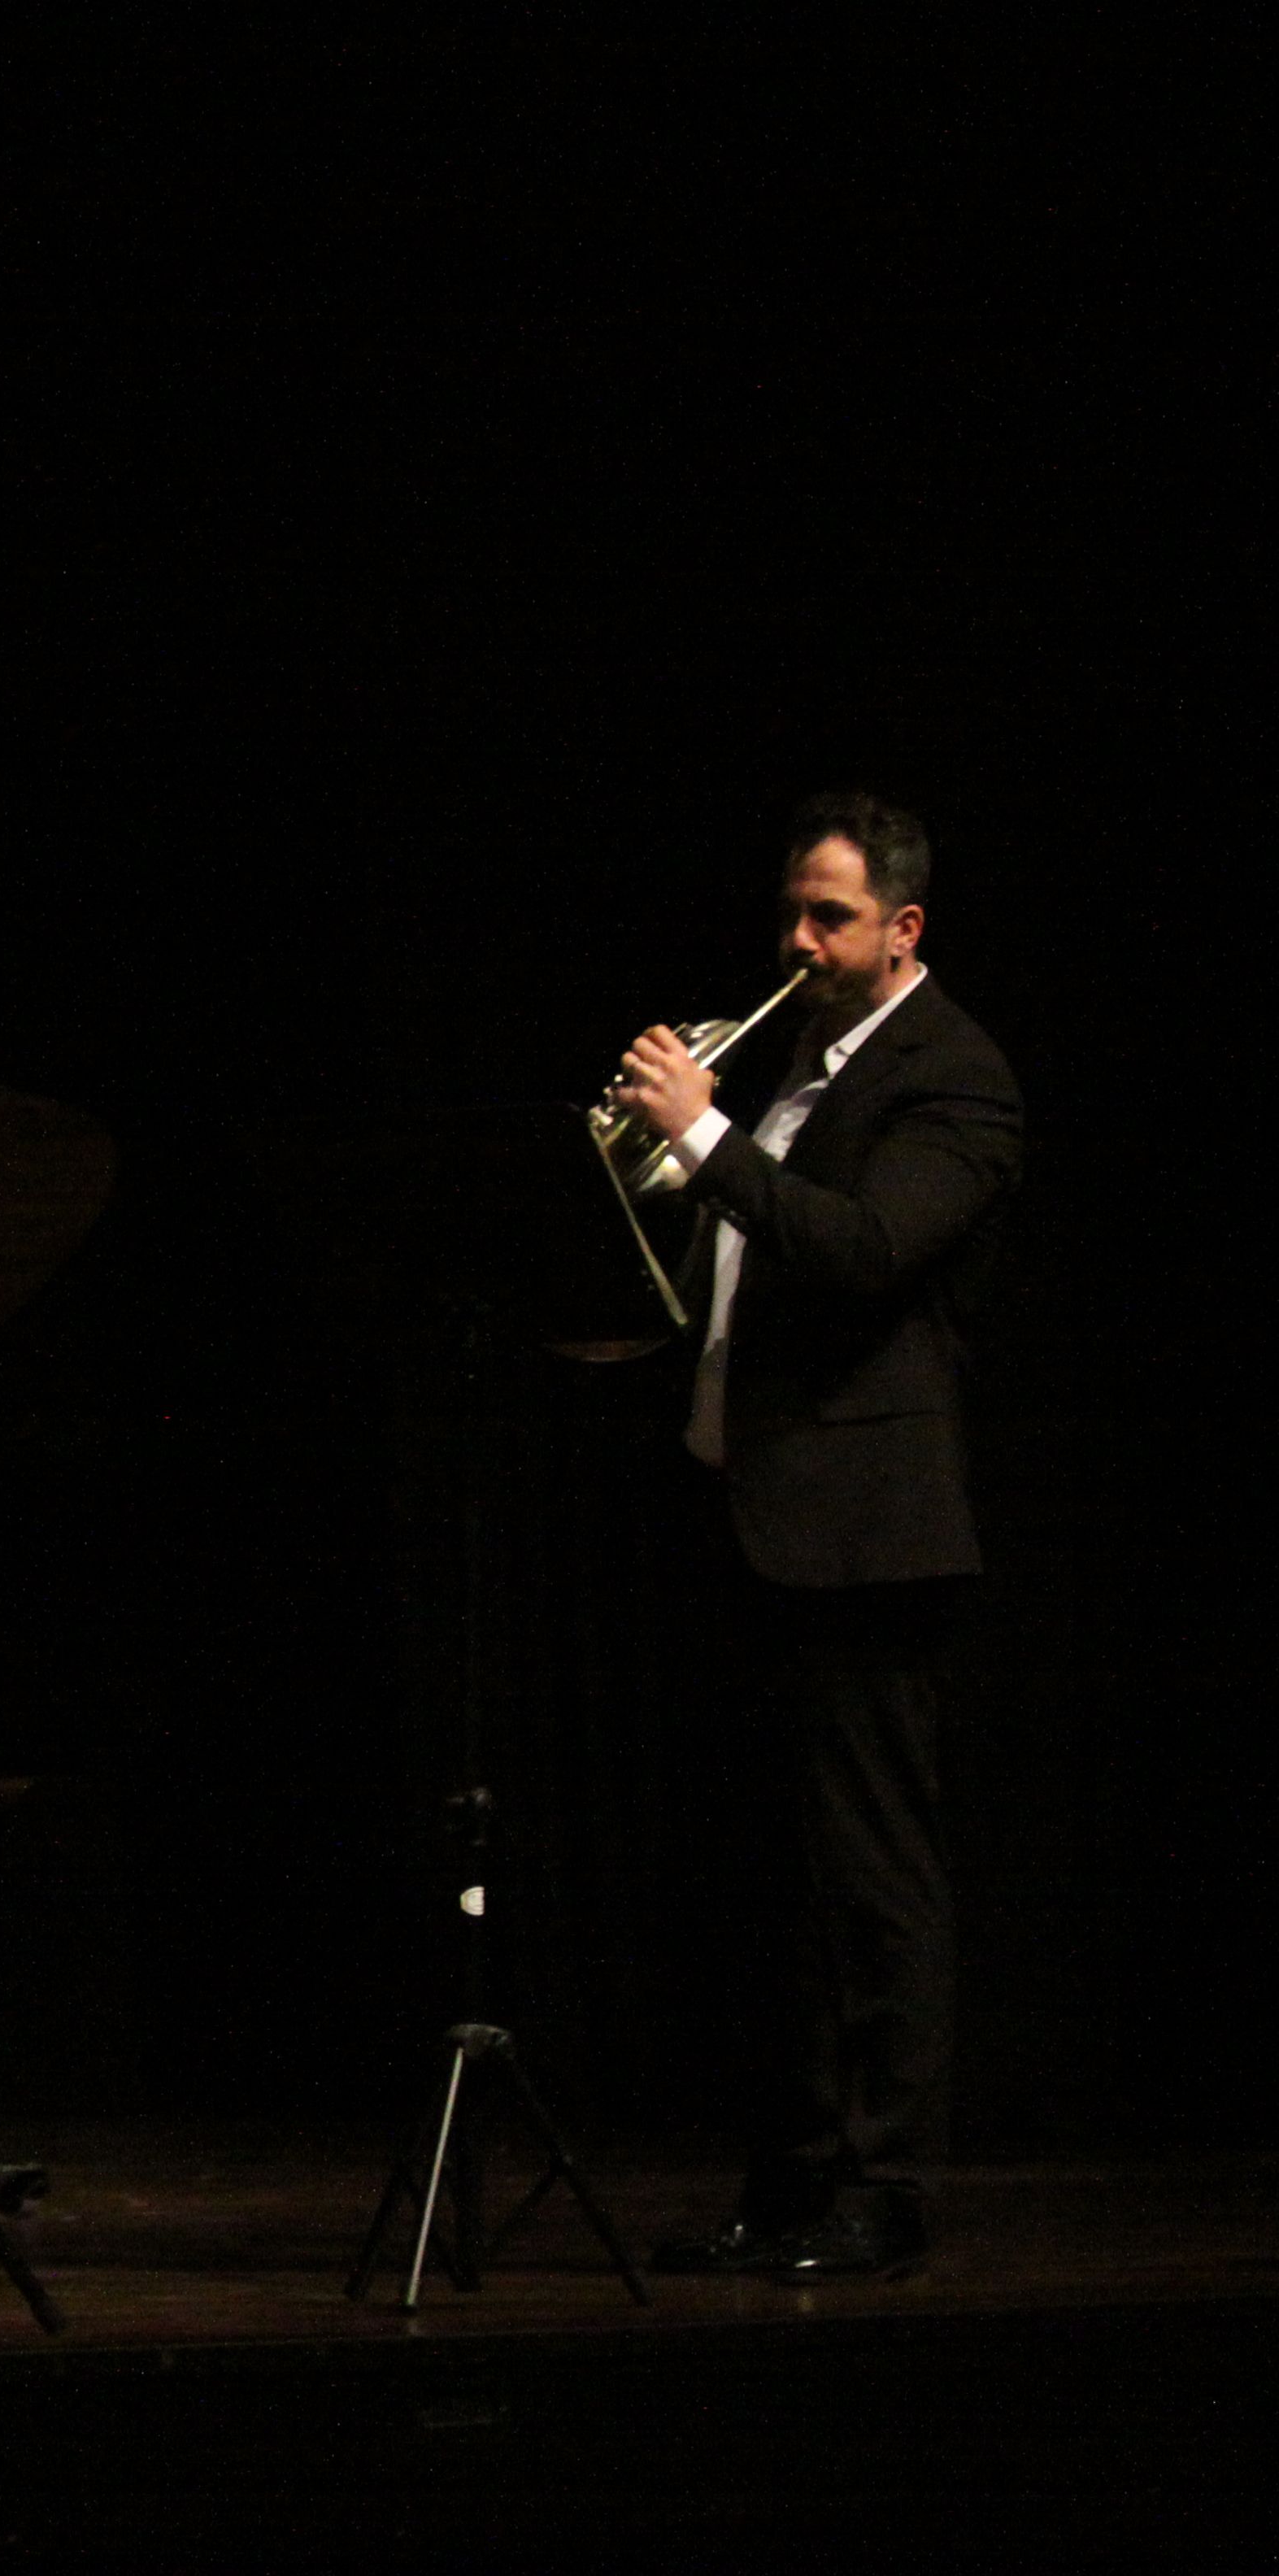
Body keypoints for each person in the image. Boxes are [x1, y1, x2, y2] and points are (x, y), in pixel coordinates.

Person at [607, 793, 1022, 2281]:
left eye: (829, 916)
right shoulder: (793, 1061)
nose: (798, 939)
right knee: (769, 1879)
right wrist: (656, 1173)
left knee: (871, 1874)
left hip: (866, 1533)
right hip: (753, 1512)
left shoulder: (954, 1077)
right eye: (792, 907)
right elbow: (740, 1238)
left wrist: (703, 1134)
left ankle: (886, 2181)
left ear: (902, 928)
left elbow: (861, 1252)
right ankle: (785, 2177)